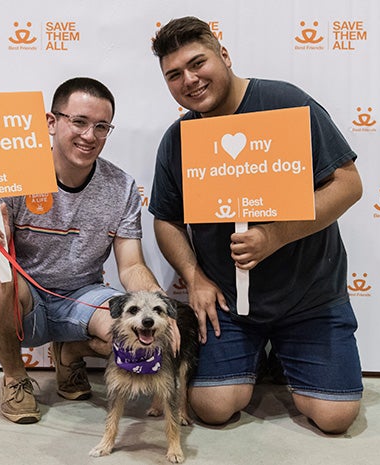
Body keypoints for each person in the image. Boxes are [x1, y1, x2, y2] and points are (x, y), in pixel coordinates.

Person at [149, 17, 364, 434]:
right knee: (213, 408)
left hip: (311, 299)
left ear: (224, 56)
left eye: (198, 63)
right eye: (174, 75)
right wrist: (194, 277)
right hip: (230, 307)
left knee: (335, 418)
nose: (189, 80)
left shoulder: (286, 102)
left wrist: (274, 235)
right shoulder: (178, 138)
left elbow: (348, 185)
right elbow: (167, 220)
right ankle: (255, 353)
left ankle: (284, 355)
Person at [0, 77, 166, 424]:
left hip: (83, 297)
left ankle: (70, 353)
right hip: (27, 298)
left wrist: (158, 302)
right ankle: (15, 378)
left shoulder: (121, 187)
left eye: (101, 126)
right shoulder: (13, 177)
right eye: (79, 122)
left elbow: (131, 265)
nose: (90, 136)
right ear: (51, 122)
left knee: (132, 330)